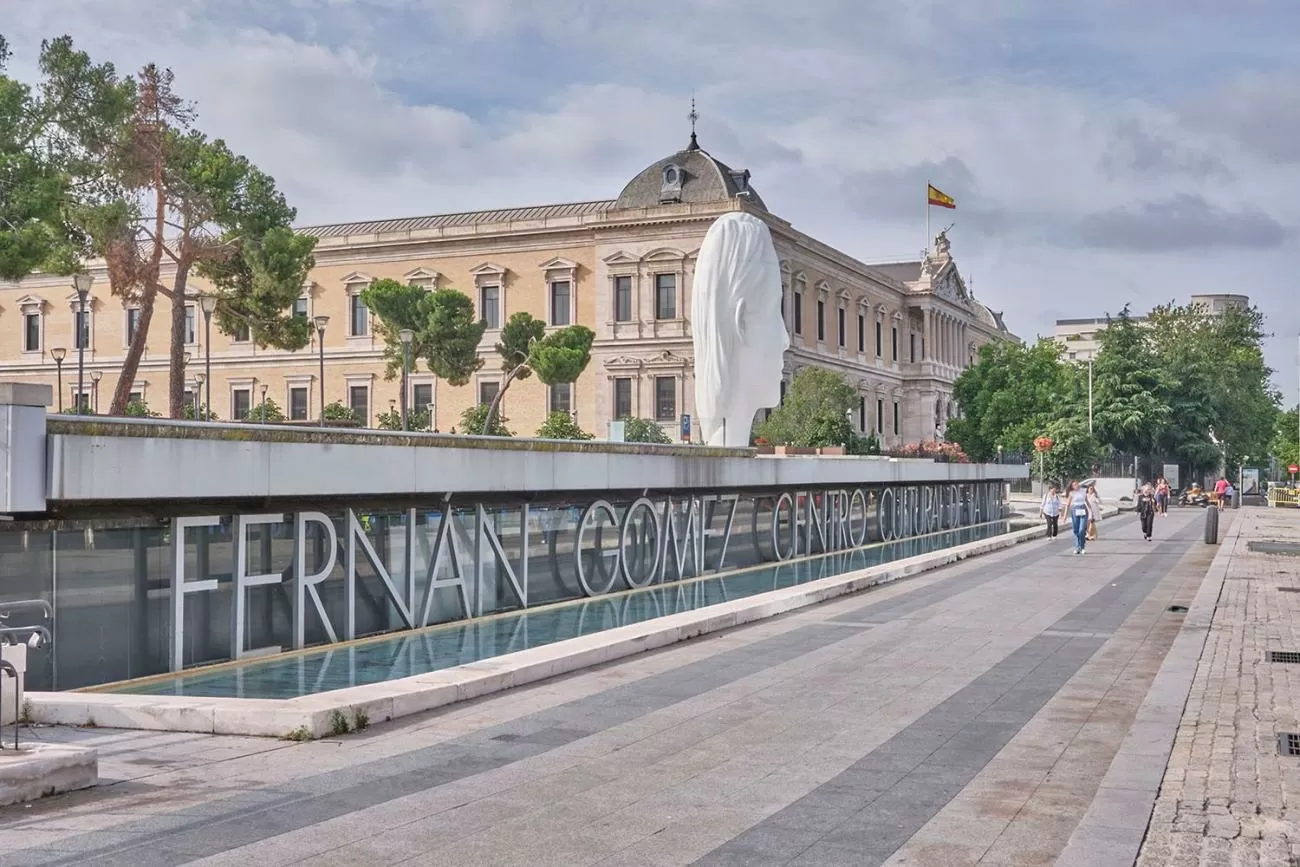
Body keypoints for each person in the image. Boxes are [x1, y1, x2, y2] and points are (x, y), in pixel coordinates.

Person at [1066, 481, 1092, 555]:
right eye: (1074, 485)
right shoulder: (1072, 493)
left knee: (1081, 530)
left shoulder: (1083, 491)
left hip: (1083, 509)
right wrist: (1064, 516)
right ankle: (1077, 547)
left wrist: (1091, 511)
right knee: (1076, 529)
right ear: (1072, 487)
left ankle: (1082, 547)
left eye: (1077, 484)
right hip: (1075, 509)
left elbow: (1086, 501)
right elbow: (1068, 504)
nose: (1076, 485)